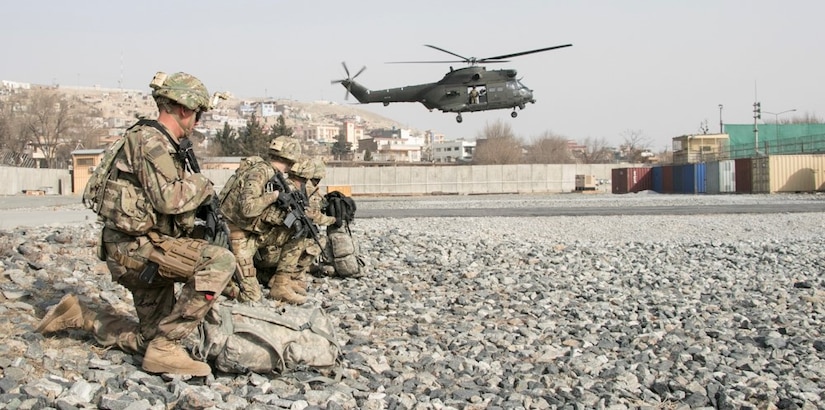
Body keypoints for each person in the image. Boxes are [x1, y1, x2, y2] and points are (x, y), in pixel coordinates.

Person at [36, 71, 235, 377]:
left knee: (148, 341)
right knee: (219, 262)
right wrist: (204, 186)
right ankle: (168, 347)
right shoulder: (150, 141)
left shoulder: (160, 142)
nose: (198, 122)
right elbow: (169, 199)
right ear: (184, 109)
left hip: (141, 247)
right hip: (137, 251)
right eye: (198, 114)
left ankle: (82, 316)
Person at [218, 136, 302, 302]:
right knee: (252, 297)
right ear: (292, 158)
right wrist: (275, 196)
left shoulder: (274, 175)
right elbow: (248, 209)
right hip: (237, 236)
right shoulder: (260, 172)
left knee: (298, 234)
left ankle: (280, 285)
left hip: (253, 233)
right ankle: (221, 284)